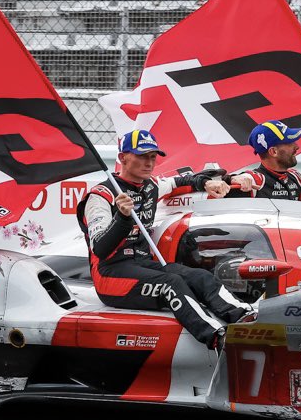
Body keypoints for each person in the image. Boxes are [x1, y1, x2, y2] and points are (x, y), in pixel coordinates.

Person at [77, 129, 252, 351]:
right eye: (142, 156)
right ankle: (217, 337)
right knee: (173, 284)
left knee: (199, 276)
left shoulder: (150, 186)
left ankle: (246, 317)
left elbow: (181, 181)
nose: (149, 163)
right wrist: (122, 218)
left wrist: (206, 182)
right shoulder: (102, 195)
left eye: (152, 157)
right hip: (110, 275)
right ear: (122, 158)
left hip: (144, 265)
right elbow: (100, 249)